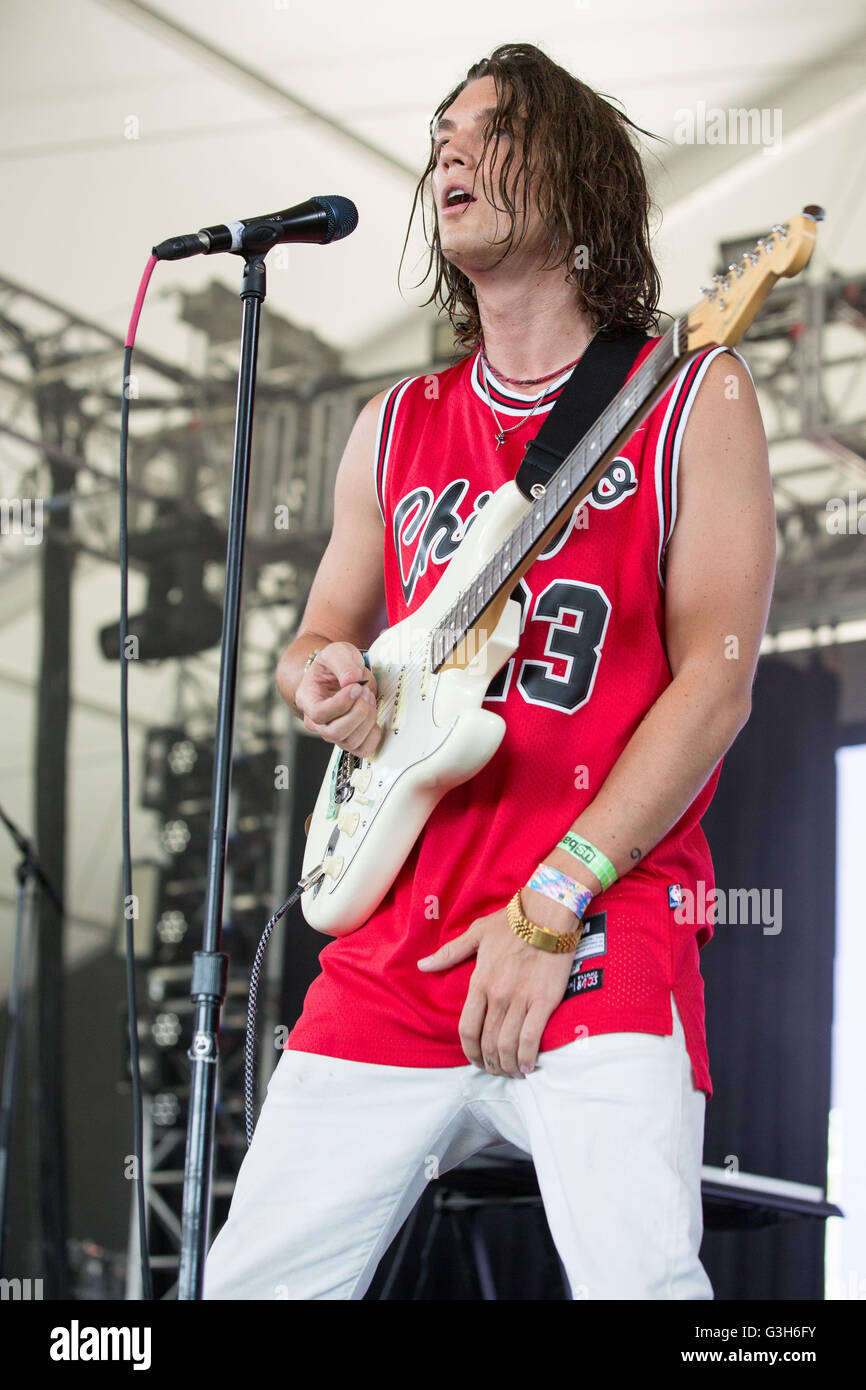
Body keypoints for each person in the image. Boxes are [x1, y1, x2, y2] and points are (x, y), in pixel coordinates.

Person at [203, 42, 775, 1301]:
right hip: (388, 951)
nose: (448, 149)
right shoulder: (392, 424)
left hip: (591, 930)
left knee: (641, 1288)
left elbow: (716, 682)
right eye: (441, 130)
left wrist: (550, 901)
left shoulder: (691, 396)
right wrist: (327, 682)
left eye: (491, 128)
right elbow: (316, 639)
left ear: (573, 179)